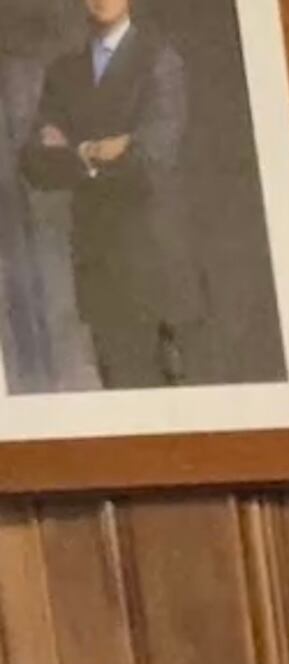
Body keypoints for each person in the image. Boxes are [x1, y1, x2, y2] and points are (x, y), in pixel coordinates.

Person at [24, 0, 200, 387]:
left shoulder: (159, 61)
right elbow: (35, 163)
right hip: (97, 263)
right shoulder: (64, 73)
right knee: (116, 389)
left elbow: (154, 154)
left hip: (153, 259)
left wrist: (73, 152)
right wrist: (96, 152)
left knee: (171, 396)